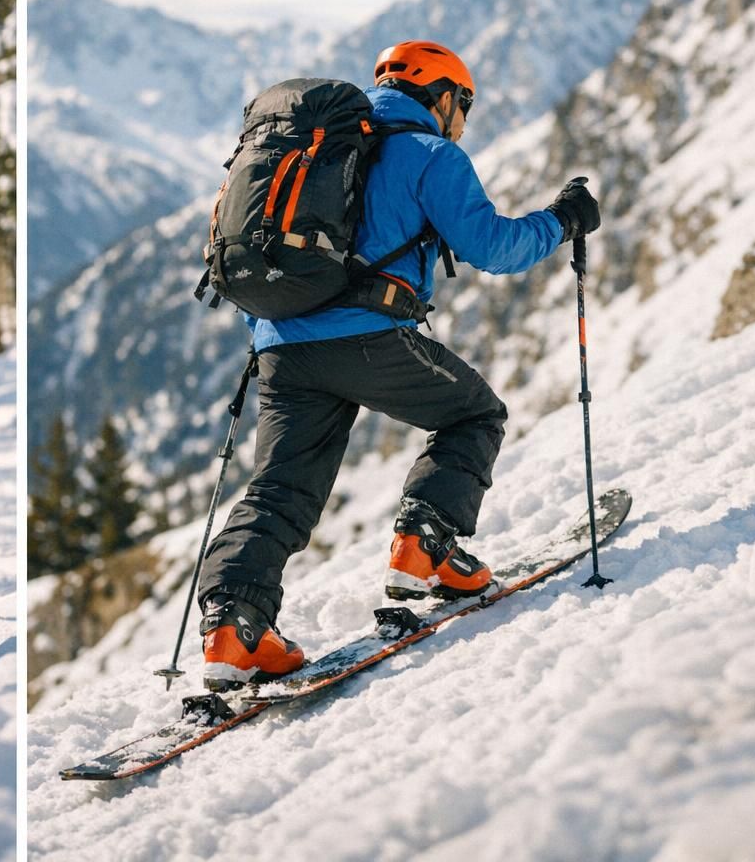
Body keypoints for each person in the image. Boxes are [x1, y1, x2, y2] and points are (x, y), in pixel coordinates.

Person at [197, 41, 601, 691]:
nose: (463, 120)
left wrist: (282, 335)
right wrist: (563, 220)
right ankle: (425, 549)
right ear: (441, 97)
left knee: (278, 491)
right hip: (369, 340)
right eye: (463, 104)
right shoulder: (430, 154)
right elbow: (494, 249)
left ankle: (232, 630)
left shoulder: (312, 151)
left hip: (277, 346)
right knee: (474, 414)